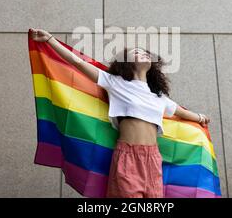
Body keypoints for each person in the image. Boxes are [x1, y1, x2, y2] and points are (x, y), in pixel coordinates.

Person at [29, 28, 210, 198]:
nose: (144, 53)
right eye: (137, 52)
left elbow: (181, 112)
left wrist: (200, 118)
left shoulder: (158, 96)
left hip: (153, 158)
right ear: (127, 63)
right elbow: (78, 63)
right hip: (128, 156)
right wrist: (50, 40)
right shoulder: (115, 83)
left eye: (145, 52)